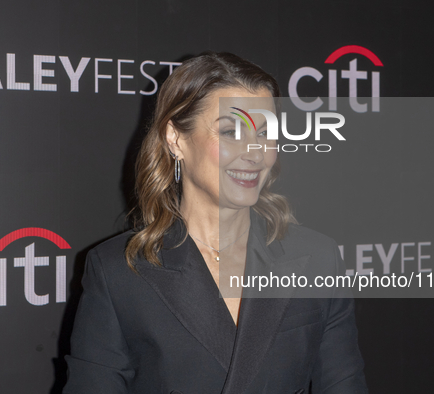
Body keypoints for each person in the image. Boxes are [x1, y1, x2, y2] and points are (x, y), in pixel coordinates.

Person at [63, 51, 367, 394]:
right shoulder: (119, 271)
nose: (254, 152)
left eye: (265, 132)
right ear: (176, 139)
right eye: (231, 130)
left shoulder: (318, 257)